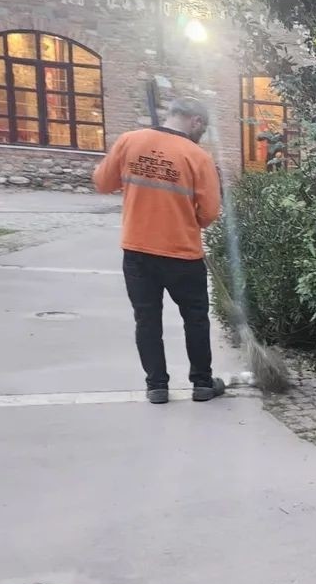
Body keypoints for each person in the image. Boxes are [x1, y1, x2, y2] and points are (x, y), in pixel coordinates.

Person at [93, 97, 225, 404]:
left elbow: (102, 183)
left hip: (138, 251)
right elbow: (209, 214)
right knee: (195, 318)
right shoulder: (198, 156)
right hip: (183, 253)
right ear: (195, 121)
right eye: (202, 128)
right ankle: (202, 384)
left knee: (147, 319)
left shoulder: (129, 142)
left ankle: (157, 387)